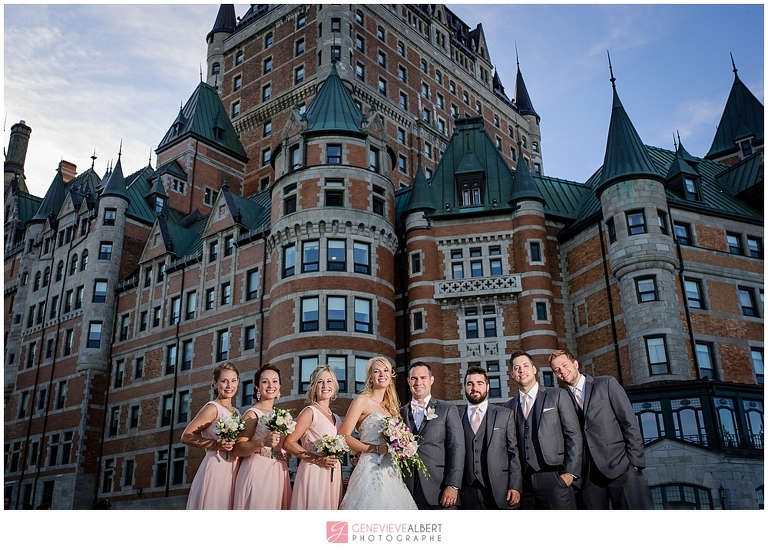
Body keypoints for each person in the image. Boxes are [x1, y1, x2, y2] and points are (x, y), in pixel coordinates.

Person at [549, 350, 651, 510]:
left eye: (564, 365)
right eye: (557, 370)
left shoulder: (606, 384)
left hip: (621, 468)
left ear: (575, 364)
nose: (562, 371)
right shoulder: (562, 399)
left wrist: (634, 463)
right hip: (589, 476)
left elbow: (629, 422)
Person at [504, 351, 582, 510]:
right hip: (524, 484)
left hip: (555, 477)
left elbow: (573, 435)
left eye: (525, 366)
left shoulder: (557, 395)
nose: (521, 370)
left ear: (534, 369)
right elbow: (511, 449)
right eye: (517, 368)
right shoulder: (508, 408)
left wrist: (570, 473)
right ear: (512, 374)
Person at [339, 356, 418, 510]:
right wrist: (373, 449)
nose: (382, 374)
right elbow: (343, 435)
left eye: (385, 370)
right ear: (370, 377)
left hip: (391, 470)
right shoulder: (362, 400)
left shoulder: (392, 409)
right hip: (370, 468)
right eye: (376, 371)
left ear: (391, 375)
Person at [400, 361, 465, 509]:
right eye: (414, 379)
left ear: (431, 380)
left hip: (440, 490)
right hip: (406, 492)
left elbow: (457, 448)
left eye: (423, 378)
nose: (418, 382)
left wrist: (453, 486)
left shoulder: (447, 409)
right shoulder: (399, 413)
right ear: (408, 381)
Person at [458, 365, 521, 510]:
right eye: (470, 384)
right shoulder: (456, 417)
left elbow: (514, 453)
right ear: (465, 388)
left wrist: (515, 486)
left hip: (501, 489)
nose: (475, 387)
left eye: (479, 383)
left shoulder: (505, 415)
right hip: (467, 491)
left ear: (487, 387)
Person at [182, 361, 241, 510]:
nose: (229, 386)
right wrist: (216, 445)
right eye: (224, 381)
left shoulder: (237, 412)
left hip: (234, 469)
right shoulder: (212, 408)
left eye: (233, 381)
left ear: (238, 382)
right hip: (216, 467)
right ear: (215, 383)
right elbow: (186, 436)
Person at [233, 363, 292, 510]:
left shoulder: (281, 415)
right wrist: (262, 442)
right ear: (257, 387)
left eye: (275, 381)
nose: (270, 385)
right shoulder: (252, 414)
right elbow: (239, 448)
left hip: (279, 471)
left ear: (279, 386)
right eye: (265, 381)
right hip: (258, 471)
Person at [285, 365, 343, 510]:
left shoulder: (337, 418)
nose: (325, 386)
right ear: (313, 387)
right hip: (314, 471)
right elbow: (289, 443)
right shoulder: (310, 412)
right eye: (320, 381)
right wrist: (317, 459)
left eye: (329, 381)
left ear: (334, 386)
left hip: (333, 472)